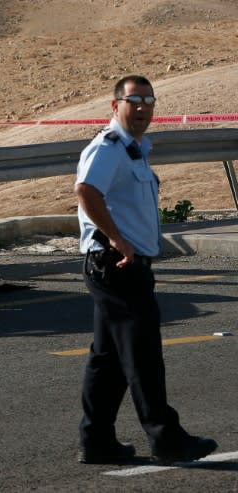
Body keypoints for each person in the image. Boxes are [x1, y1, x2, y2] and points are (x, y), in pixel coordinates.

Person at [75, 75, 218, 465]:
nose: (142, 109)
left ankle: (97, 441)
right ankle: (167, 438)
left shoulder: (134, 149)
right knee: (143, 356)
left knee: (109, 360)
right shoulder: (109, 148)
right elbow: (87, 191)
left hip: (119, 264)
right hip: (117, 264)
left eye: (148, 101)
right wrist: (117, 238)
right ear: (115, 105)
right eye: (133, 100)